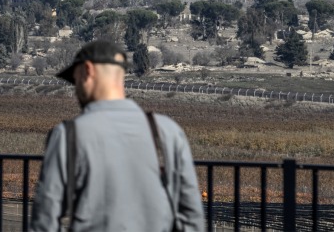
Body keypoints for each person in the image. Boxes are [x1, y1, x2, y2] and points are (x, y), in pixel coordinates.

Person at [30, 41, 204, 232]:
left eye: (75, 79)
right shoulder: (168, 131)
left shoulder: (68, 136)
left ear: (87, 71)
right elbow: (192, 217)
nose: (76, 88)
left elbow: (44, 220)